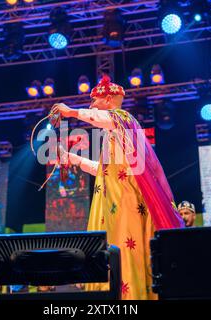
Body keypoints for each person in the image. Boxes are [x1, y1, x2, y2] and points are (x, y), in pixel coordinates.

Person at [52, 75, 184, 300]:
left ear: (108, 100)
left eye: (95, 100)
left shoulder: (124, 119)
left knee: (124, 250)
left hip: (126, 202)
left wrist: (72, 112)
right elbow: (105, 171)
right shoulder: (114, 135)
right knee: (111, 252)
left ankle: (132, 298)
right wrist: (73, 158)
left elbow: (99, 117)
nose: (91, 104)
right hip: (111, 203)